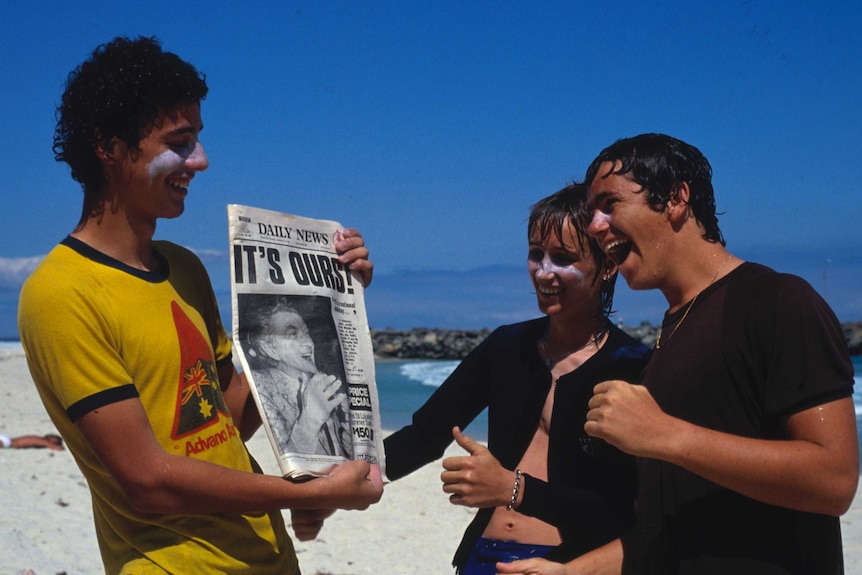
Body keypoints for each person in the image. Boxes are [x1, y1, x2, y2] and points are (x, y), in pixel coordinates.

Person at [17, 36, 381, 575]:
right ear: (110, 146)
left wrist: (328, 301)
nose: (202, 161)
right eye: (180, 142)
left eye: (198, 140)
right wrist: (302, 495)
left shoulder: (182, 268)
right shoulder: (60, 293)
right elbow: (146, 482)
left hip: (266, 556)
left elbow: (222, 421)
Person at [499, 133, 858, 575]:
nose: (594, 225)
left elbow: (835, 480)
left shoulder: (775, 301)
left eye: (609, 204)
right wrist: (573, 571)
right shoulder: (670, 337)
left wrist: (667, 436)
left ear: (675, 198)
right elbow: (672, 528)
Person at [381, 184, 651, 574]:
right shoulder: (508, 346)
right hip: (482, 555)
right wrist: (355, 478)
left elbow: (625, 509)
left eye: (562, 258)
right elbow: (425, 435)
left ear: (608, 264)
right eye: (535, 254)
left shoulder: (630, 367)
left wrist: (514, 489)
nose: (543, 272)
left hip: (568, 563)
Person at [242, 298, 352, 458]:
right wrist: (310, 421)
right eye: (292, 334)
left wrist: (346, 444)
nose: (308, 342)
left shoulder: (323, 382)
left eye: (306, 333)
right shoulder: (262, 386)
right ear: (270, 349)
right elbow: (288, 460)